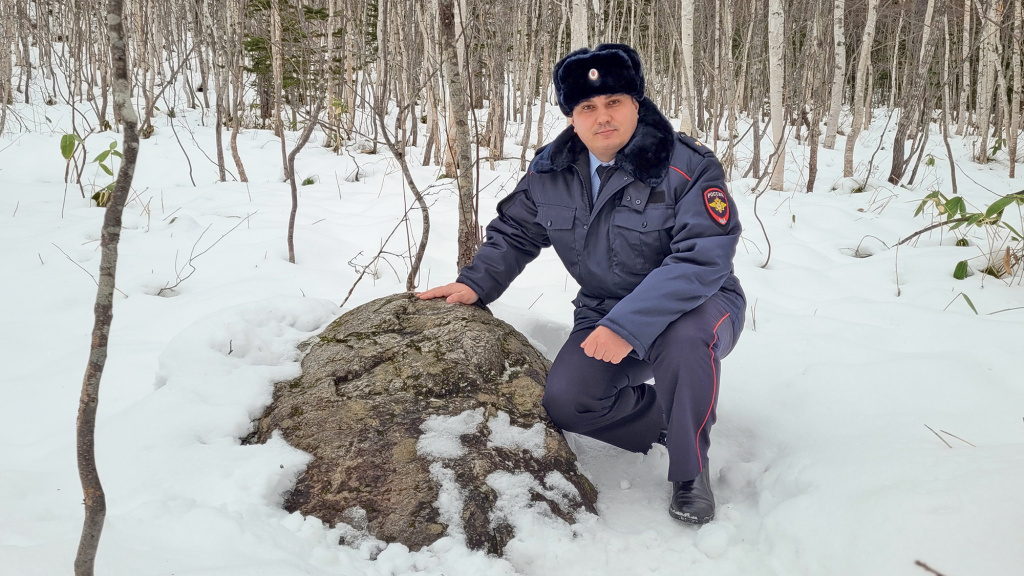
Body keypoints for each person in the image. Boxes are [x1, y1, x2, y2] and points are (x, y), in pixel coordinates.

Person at [417, 43, 744, 525]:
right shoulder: (551, 171)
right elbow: (516, 232)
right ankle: (670, 417)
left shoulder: (685, 166)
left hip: (699, 303)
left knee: (684, 340)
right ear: (572, 118)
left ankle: (690, 469)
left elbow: (702, 259)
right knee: (569, 401)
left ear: (636, 104)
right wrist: (475, 285)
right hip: (603, 307)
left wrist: (627, 327)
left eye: (614, 102)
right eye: (587, 107)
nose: (602, 116)